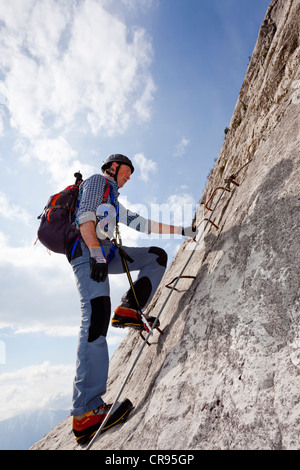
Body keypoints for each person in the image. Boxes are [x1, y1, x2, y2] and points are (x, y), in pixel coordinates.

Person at [69, 154, 197, 444]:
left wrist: (181, 231)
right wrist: (95, 252)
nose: (129, 178)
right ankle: (85, 412)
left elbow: (142, 224)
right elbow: (85, 215)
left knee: (156, 256)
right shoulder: (97, 182)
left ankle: (129, 309)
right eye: (127, 172)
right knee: (96, 317)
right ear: (113, 167)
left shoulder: (113, 200)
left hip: (106, 251)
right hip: (88, 252)